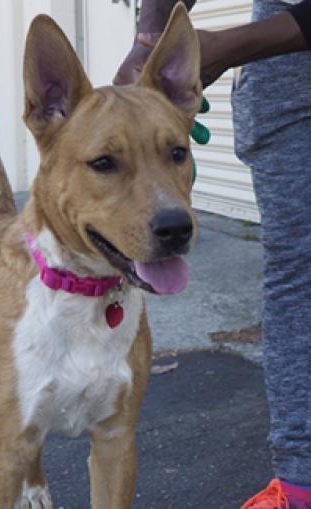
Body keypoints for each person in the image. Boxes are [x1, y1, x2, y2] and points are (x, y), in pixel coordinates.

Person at [116, 1, 311, 508]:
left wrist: (229, 45)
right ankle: (300, 487)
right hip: (290, 90)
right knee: (299, 278)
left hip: (279, 66)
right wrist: (151, 36)